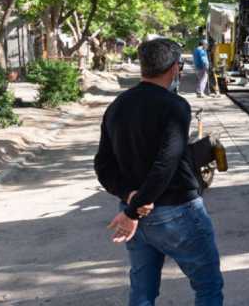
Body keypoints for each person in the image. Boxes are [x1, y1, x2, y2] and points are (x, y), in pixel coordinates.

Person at [95, 38, 224, 306]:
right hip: (177, 213)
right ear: (176, 68)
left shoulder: (117, 106)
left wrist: (130, 197)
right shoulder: (175, 106)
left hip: (137, 218)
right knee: (208, 286)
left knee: (142, 293)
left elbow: (103, 165)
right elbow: (165, 164)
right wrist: (133, 210)